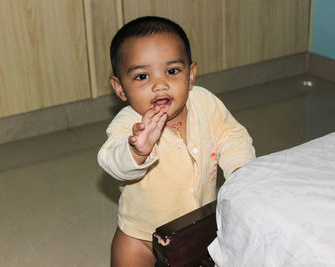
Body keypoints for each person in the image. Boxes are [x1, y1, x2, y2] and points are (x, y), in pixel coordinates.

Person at [97, 16, 256, 266]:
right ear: (119, 88)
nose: (160, 85)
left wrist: (240, 168)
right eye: (141, 76)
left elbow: (231, 135)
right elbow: (111, 161)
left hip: (197, 225)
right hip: (141, 237)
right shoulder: (129, 124)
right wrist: (136, 150)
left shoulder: (204, 102)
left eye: (172, 71)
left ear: (191, 75)